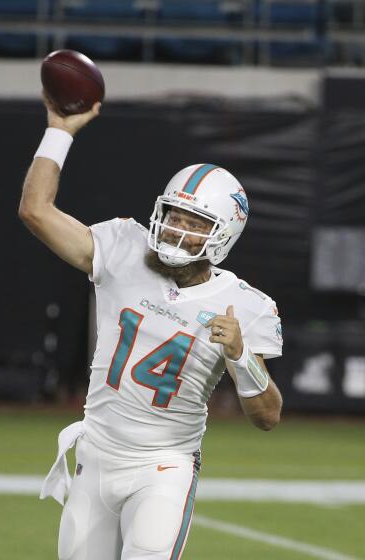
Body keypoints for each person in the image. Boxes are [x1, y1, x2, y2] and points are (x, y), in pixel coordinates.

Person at [19, 96, 283, 560]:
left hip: (163, 468)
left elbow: (267, 417)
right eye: (174, 215)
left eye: (194, 222)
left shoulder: (245, 306)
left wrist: (241, 357)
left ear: (222, 236)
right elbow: (35, 211)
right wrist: (59, 130)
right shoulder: (123, 248)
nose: (177, 230)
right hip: (95, 456)